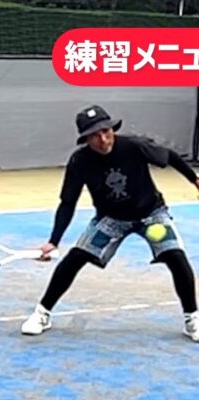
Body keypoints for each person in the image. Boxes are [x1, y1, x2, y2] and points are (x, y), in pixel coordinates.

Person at [21, 104, 199, 342]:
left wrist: (195, 179)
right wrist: (53, 241)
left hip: (151, 214)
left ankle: (192, 319)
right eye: (94, 135)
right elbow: (68, 202)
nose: (103, 139)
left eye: (106, 131)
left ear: (112, 129)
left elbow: (170, 156)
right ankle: (42, 313)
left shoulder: (134, 146)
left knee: (176, 257)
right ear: (85, 139)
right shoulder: (80, 161)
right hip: (111, 219)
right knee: (75, 258)